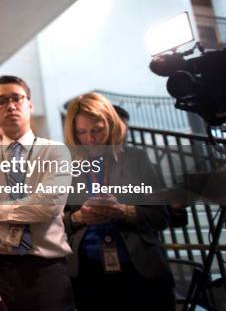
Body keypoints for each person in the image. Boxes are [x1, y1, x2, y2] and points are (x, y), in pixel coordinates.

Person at [0, 75, 74, 310]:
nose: (10, 105)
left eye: (16, 98)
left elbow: (47, 206)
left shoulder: (55, 152)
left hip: (47, 269)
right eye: (2, 101)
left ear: (29, 104)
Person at [63, 92, 174, 310]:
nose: (90, 139)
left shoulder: (136, 158)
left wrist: (122, 210)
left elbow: (160, 217)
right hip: (87, 275)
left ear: (111, 124)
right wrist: (79, 216)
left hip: (139, 270)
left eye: (97, 130)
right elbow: (57, 223)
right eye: (81, 132)